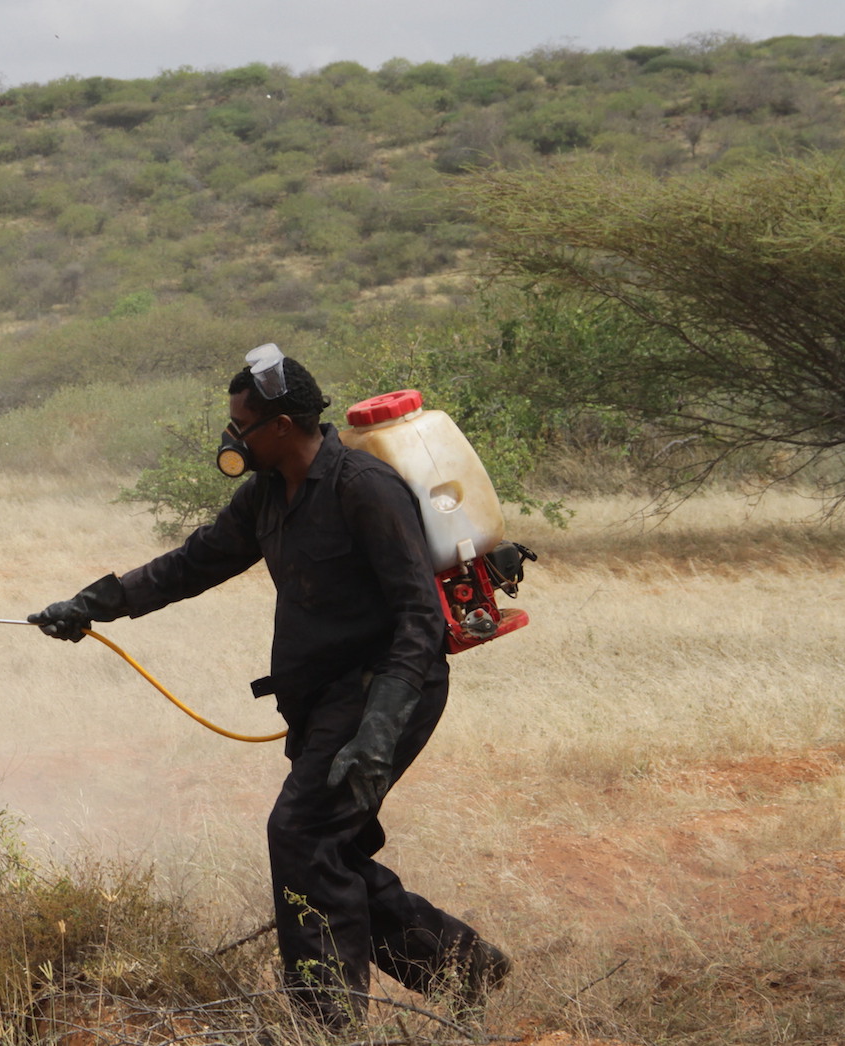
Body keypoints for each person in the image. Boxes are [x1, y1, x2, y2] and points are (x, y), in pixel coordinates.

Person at [29, 346, 509, 1031]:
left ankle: (326, 1024)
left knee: (303, 835)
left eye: (242, 424)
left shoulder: (363, 489)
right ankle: (463, 966)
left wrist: (379, 731)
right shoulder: (265, 495)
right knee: (325, 847)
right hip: (322, 701)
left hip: (387, 692)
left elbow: (417, 620)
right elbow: (192, 563)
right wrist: (92, 604)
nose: (232, 438)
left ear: (282, 425)